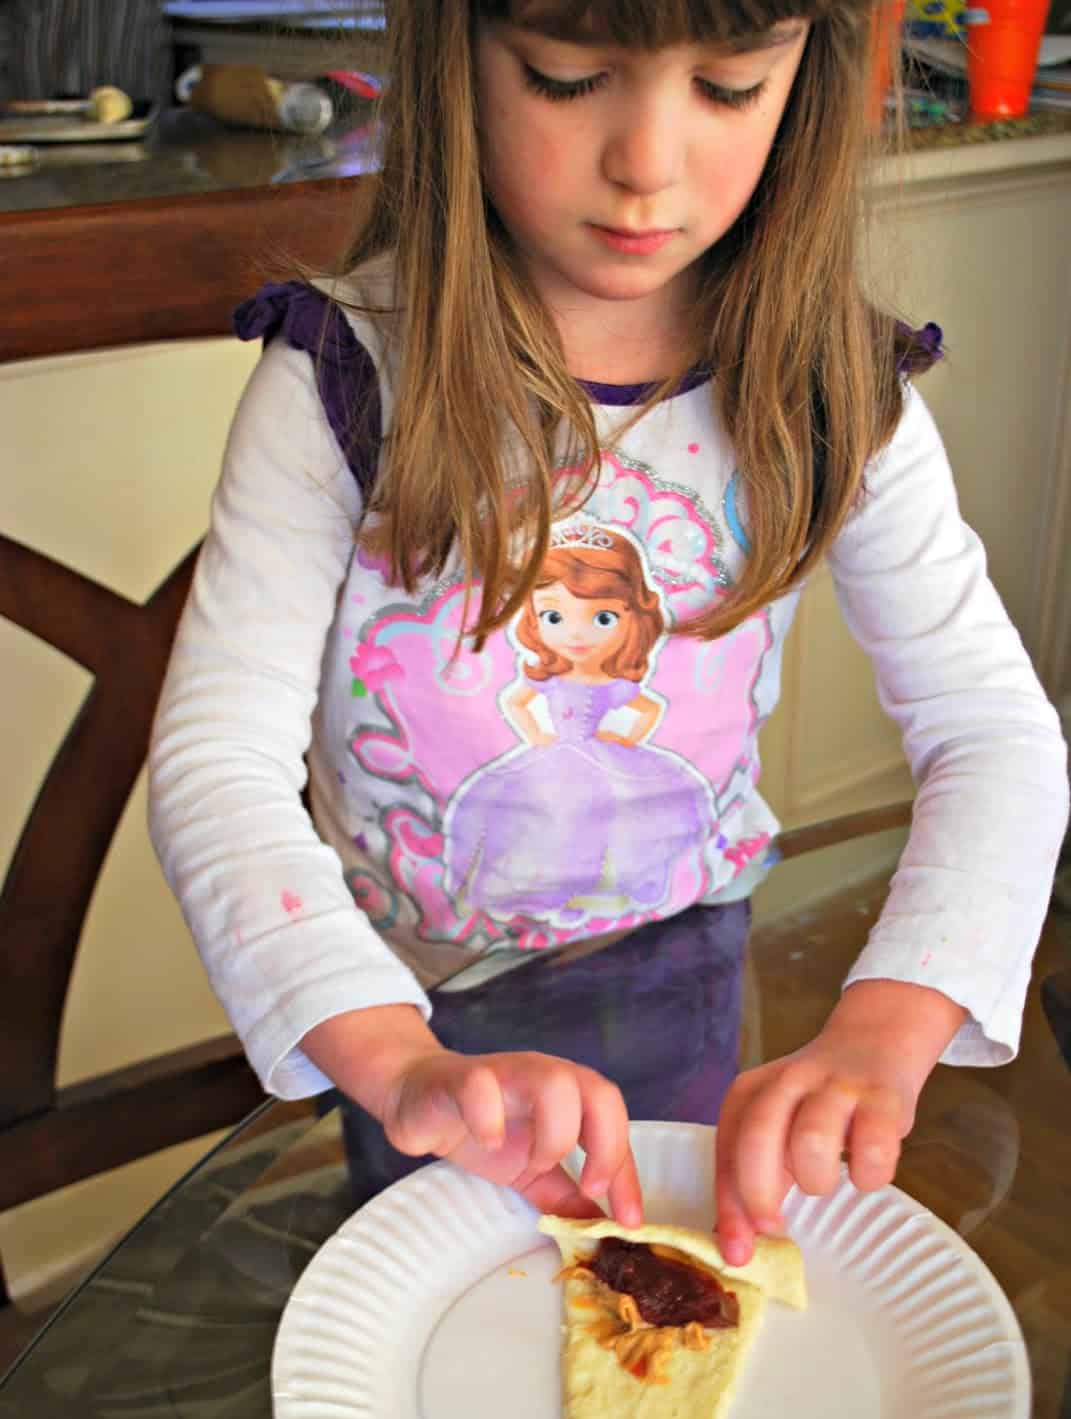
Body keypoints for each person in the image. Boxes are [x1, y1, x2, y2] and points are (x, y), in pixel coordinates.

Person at [148, 0, 1068, 1269]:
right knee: (447, 1324)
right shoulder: (345, 377)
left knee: (646, 1300)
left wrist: (890, 1022)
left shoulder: (832, 391)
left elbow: (993, 730)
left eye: (731, 88)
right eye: (570, 78)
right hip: (402, 996)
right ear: (455, 55)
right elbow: (217, 761)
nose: (648, 163)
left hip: (678, 969)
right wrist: (395, 1057)